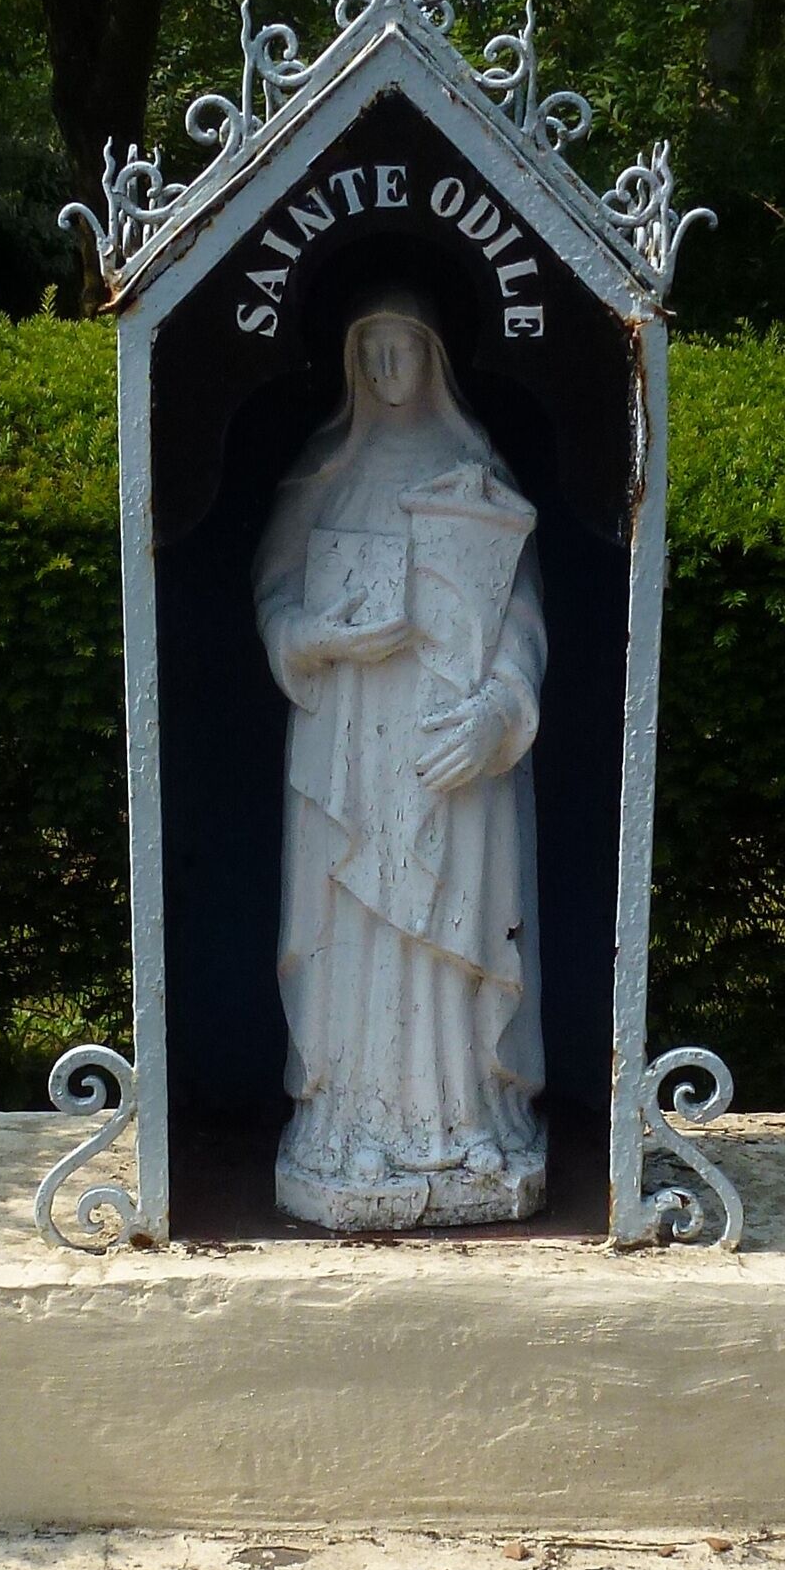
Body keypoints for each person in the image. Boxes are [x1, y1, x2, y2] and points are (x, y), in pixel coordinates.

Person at [252, 292, 547, 1228]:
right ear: (350, 363)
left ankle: (466, 1117)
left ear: (432, 358)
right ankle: (353, 1124)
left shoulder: (474, 472)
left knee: (454, 922)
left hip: (448, 745)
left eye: (400, 349)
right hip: (350, 740)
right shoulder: (325, 470)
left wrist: (497, 711)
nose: (384, 368)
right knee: (363, 929)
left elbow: (522, 620)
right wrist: (320, 639)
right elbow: (275, 600)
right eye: (368, 350)